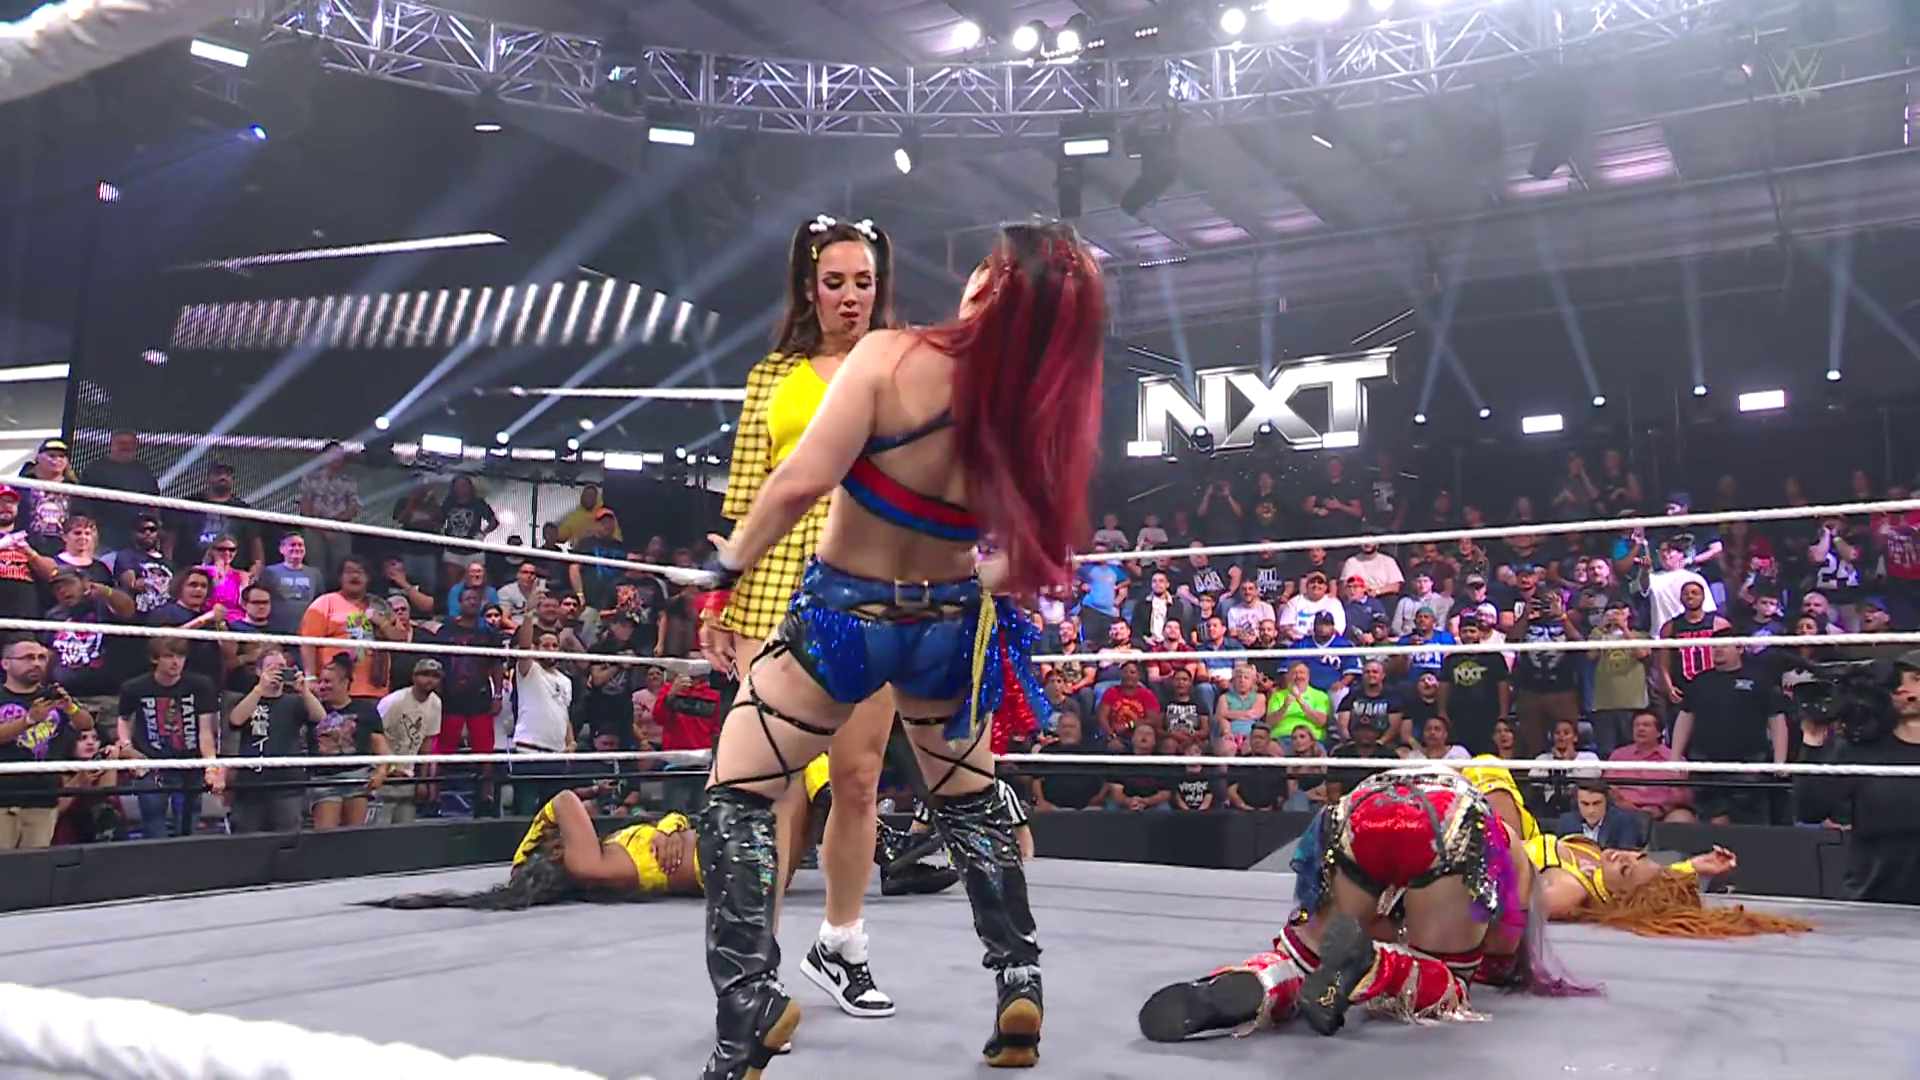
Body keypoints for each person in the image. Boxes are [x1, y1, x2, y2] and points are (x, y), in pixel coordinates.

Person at [696, 220, 1103, 1077]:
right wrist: (965, 578)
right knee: (970, 803)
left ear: (990, 285)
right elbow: (1032, 559)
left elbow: (800, 482)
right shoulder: (1036, 413)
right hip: (945, 629)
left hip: (842, 618)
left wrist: (726, 565)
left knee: (738, 791)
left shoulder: (891, 357)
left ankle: (748, 1006)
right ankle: (1018, 980)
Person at [1138, 761, 1812, 1045]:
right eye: (1629, 854)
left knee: (1303, 952)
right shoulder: (1565, 851)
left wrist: (1676, 877)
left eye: (1629, 865)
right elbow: (1501, 935)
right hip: (1449, 827)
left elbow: (1618, 892)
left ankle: (1250, 985)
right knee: (1450, 978)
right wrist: (1689, 868)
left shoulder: (1571, 884)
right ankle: (1373, 969)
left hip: (1372, 800)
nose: (1624, 855)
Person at [700, 214, 914, 1021]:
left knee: (857, 779)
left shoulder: (902, 368)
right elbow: (745, 491)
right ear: (809, 287)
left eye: (864, 282)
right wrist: (718, 597)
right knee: (769, 784)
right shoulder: (771, 375)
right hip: (773, 591)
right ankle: (755, 971)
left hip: (872, 587)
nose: (851, 297)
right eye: (835, 282)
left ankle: (841, 943)